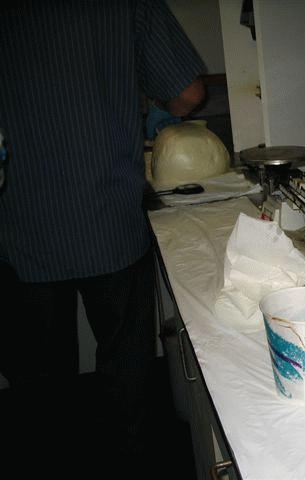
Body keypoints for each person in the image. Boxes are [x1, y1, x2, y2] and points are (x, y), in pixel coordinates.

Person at [0, 0, 205, 474]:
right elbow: (188, 94)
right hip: (107, 218)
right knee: (126, 372)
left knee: (40, 388)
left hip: (17, 224)